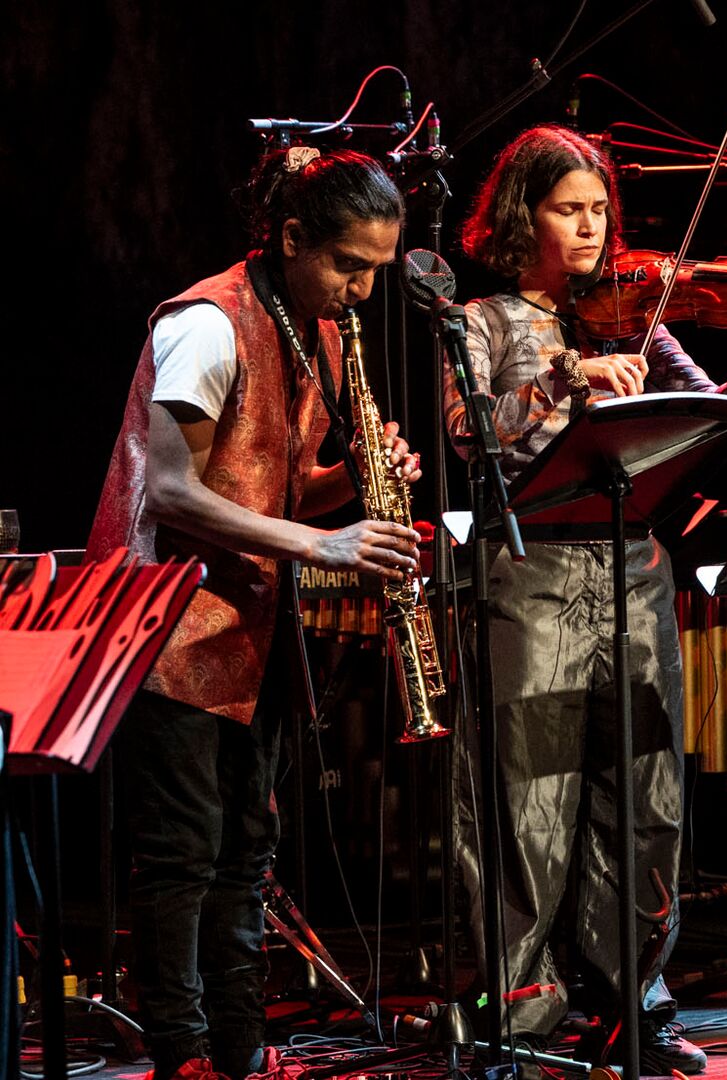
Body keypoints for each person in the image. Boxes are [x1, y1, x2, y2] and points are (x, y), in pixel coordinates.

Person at [446, 124, 727, 1077]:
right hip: (529, 572)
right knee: (527, 798)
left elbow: (719, 423)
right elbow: (471, 437)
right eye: (567, 210)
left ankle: (637, 999)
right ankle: (516, 1014)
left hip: (635, 570)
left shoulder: (640, 318)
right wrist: (560, 376)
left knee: (646, 793)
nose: (589, 230)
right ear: (521, 216)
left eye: (599, 211)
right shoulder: (487, 321)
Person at [90, 145, 421, 1080]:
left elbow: (278, 490)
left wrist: (356, 479)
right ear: (289, 238)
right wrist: (328, 547)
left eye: (374, 272)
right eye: (348, 266)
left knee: (247, 854)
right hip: (166, 626)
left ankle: (237, 1050)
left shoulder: (310, 325)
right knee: (183, 857)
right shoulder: (209, 323)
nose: (361, 289)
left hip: (249, 625)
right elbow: (172, 491)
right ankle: (182, 1054)